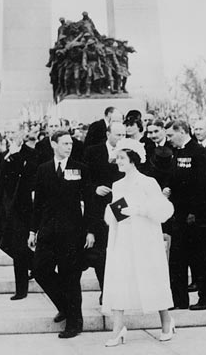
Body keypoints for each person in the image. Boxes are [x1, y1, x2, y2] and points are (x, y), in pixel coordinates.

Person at [102, 138, 174, 346]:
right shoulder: (117, 184)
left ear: (133, 159)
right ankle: (118, 329)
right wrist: (113, 212)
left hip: (145, 239)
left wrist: (141, 210)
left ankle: (166, 322)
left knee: (153, 279)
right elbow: (117, 214)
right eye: (117, 158)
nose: (118, 162)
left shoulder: (148, 182)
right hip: (124, 239)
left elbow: (164, 210)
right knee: (119, 280)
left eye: (122, 158)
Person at [29, 130, 96, 339]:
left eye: (71, 143)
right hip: (48, 231)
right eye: (65, 143)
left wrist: (90, 230)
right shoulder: (43, 169)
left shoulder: (80, 169)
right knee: (40, 270)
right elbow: (37, 203)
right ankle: (66, 306)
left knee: (70, 276)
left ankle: (75, 323)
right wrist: (33, 230)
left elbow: (91, 202)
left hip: (72, 232)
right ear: (53, 144)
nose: (69, 146)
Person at [166, 120, 206, 310]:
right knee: (177, 259)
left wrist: (194, 212)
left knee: (201, 260)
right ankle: (179, 299)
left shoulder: (199, 152)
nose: (169, 139)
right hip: (179, 214)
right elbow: (174, 177)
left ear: (181, 131)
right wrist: (168, 188)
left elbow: (203, 186)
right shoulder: (178, 152)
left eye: (171, 135)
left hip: (197, 217)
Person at [0, 126, 39, 300]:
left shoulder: (31, 153)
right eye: (10, 132)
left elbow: (27, 174)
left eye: (15, 132)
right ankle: (35, 265)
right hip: (6, 206)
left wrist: (15, 156)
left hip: (23, 207)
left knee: (19, 247)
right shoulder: (4, 154)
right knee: (4, 243)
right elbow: (1, 181)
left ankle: (22, 289)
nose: (12, 135)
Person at [84, 121, 126, 296]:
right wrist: (95, 188)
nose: (121, 138)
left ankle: (118, 289)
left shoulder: (128, 153)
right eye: (118, 135)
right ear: (108, 134)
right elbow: (85, 178)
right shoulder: (93, 151)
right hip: (99, 206)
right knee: (101, 252)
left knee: (119, 249)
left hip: (120, 204)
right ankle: (105, 289)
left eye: (124, 135)